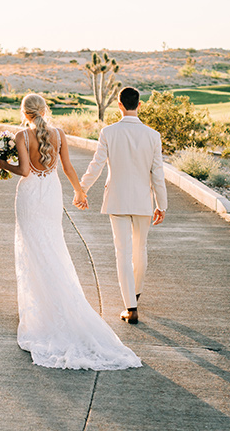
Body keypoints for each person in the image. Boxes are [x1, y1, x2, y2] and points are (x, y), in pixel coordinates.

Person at [0, 93, 141, 370]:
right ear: (44, 110)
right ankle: (58, 301)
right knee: (51, 245)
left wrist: (5, 165)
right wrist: (80, 190)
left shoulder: (21, 136)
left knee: (32, 248)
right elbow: (67, 167)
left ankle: (39, 309)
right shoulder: (59, 133)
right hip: (51, 195)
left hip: (29, 196)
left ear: (25, 113)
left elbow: (25, 171)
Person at [80, 87, 167, 325]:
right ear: (139, 105)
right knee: (141, 249)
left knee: (123, 252)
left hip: (117, 200)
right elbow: (157, 173)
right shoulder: (153, 135)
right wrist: (162, 204)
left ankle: (130, 306)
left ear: (119, 105)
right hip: (143, 201)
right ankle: (135, 295)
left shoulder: (108, 132)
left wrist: (82, 189)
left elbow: (96, 165)